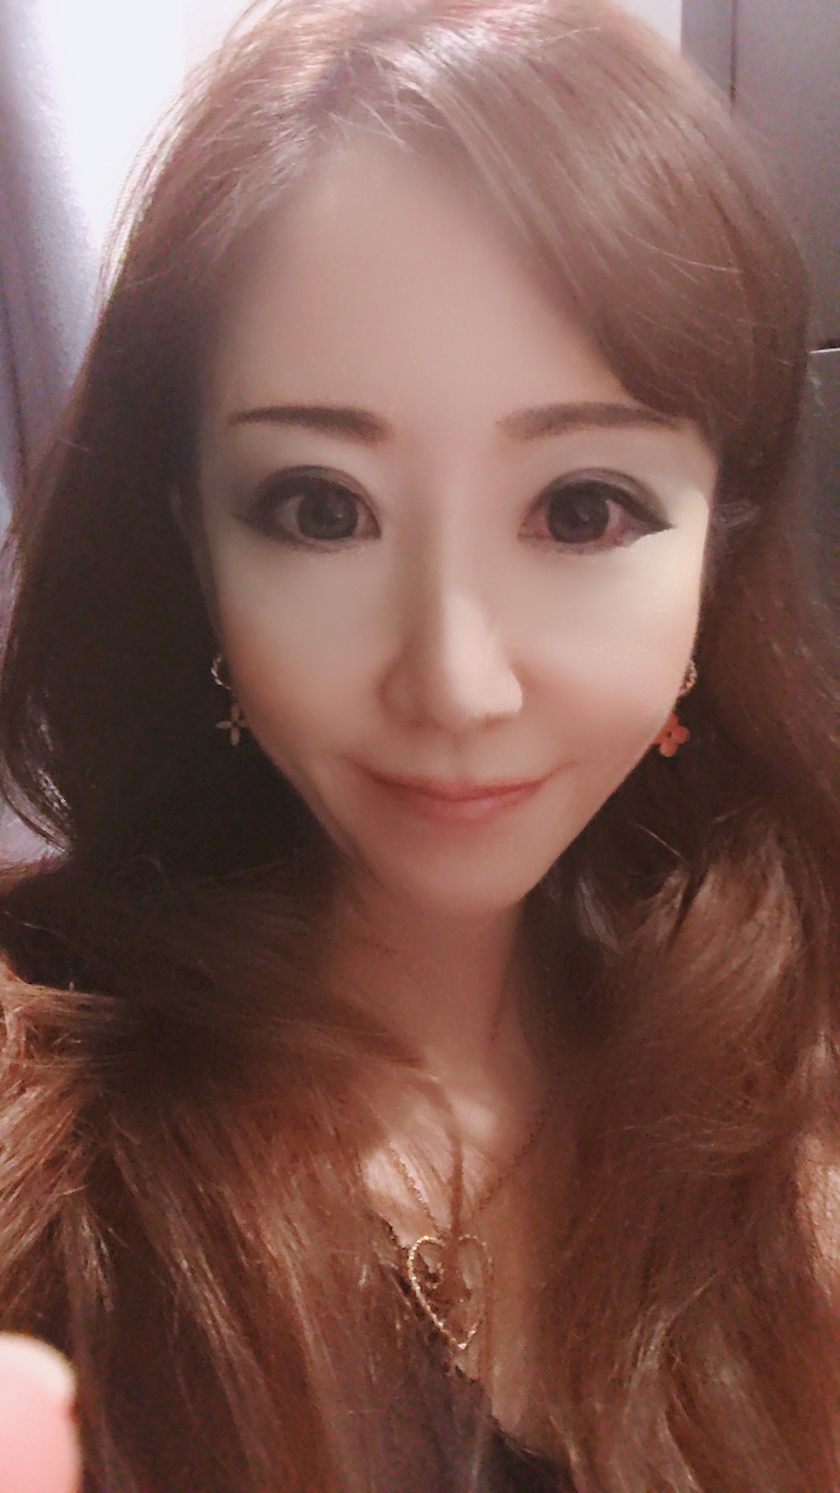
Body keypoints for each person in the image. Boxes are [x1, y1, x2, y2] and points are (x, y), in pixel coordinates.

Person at [0, 0, 837, 1489]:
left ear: (717, 554)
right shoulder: (56, 1151)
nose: (455, 681)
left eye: (581, 509)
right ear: (196, 538)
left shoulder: (785, 1087)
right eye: (322, 508)